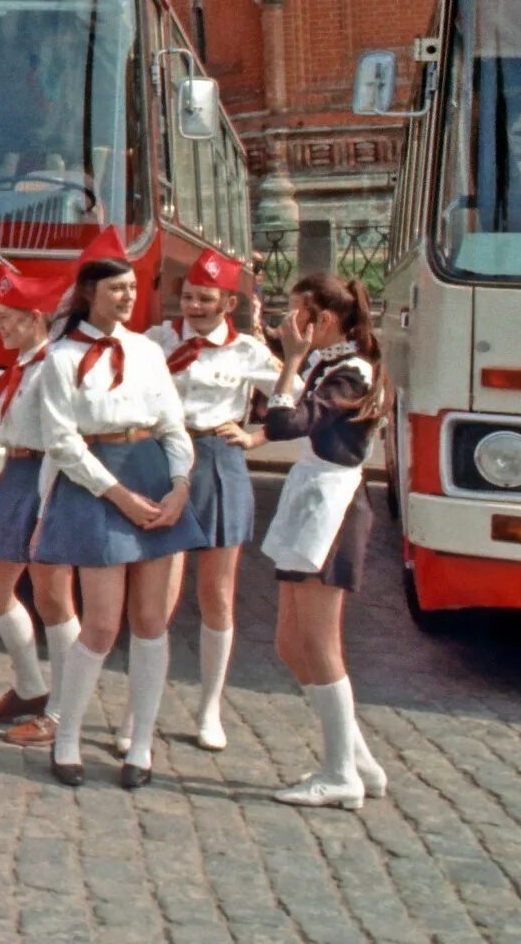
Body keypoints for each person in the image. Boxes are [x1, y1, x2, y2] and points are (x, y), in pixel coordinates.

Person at [31, 228, 204, 789]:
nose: (127, 298)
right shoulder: (59, 359)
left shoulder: (149, 351)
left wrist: (179, 485)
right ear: (88, 294)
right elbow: (62, 441)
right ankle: (68, 736)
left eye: (131, 288)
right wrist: (118, 496)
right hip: (97, 486)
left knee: (152, 621)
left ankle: (142, 747)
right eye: (115, 290)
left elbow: (173, 426)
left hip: (154, 475)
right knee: (102, 624)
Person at [260, 274, 391, 809]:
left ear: (328, 321)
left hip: (334, 508)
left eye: (299, 315)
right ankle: (360, 762)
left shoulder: (351, 373)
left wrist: (288, 361)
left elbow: (287, 422)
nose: (292, 325)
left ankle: (340, 774)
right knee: (289, 645)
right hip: (310, 498)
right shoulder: (334, 362)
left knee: (319, 642)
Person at [147, 249, 280, 752]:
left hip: (220, 462)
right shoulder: (160, 341)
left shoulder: (247, 351)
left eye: (206, 299)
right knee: (157, 599)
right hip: (164, 460)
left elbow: (299, 401)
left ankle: (209, 711)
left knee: (217, 596)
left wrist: (258, 437)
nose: (195, 307)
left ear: (227, 302)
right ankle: (144, 709)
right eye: (188, 297)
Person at [0, 265, 82, 749]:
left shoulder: (56, 364)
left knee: (54, 597)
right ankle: (31, 687)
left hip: (49, 475)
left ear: (38, 319)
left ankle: (62, 710)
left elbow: (63, 437)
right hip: (14, 475)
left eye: (10, 319)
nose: (1, 329)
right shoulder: (19, 367)